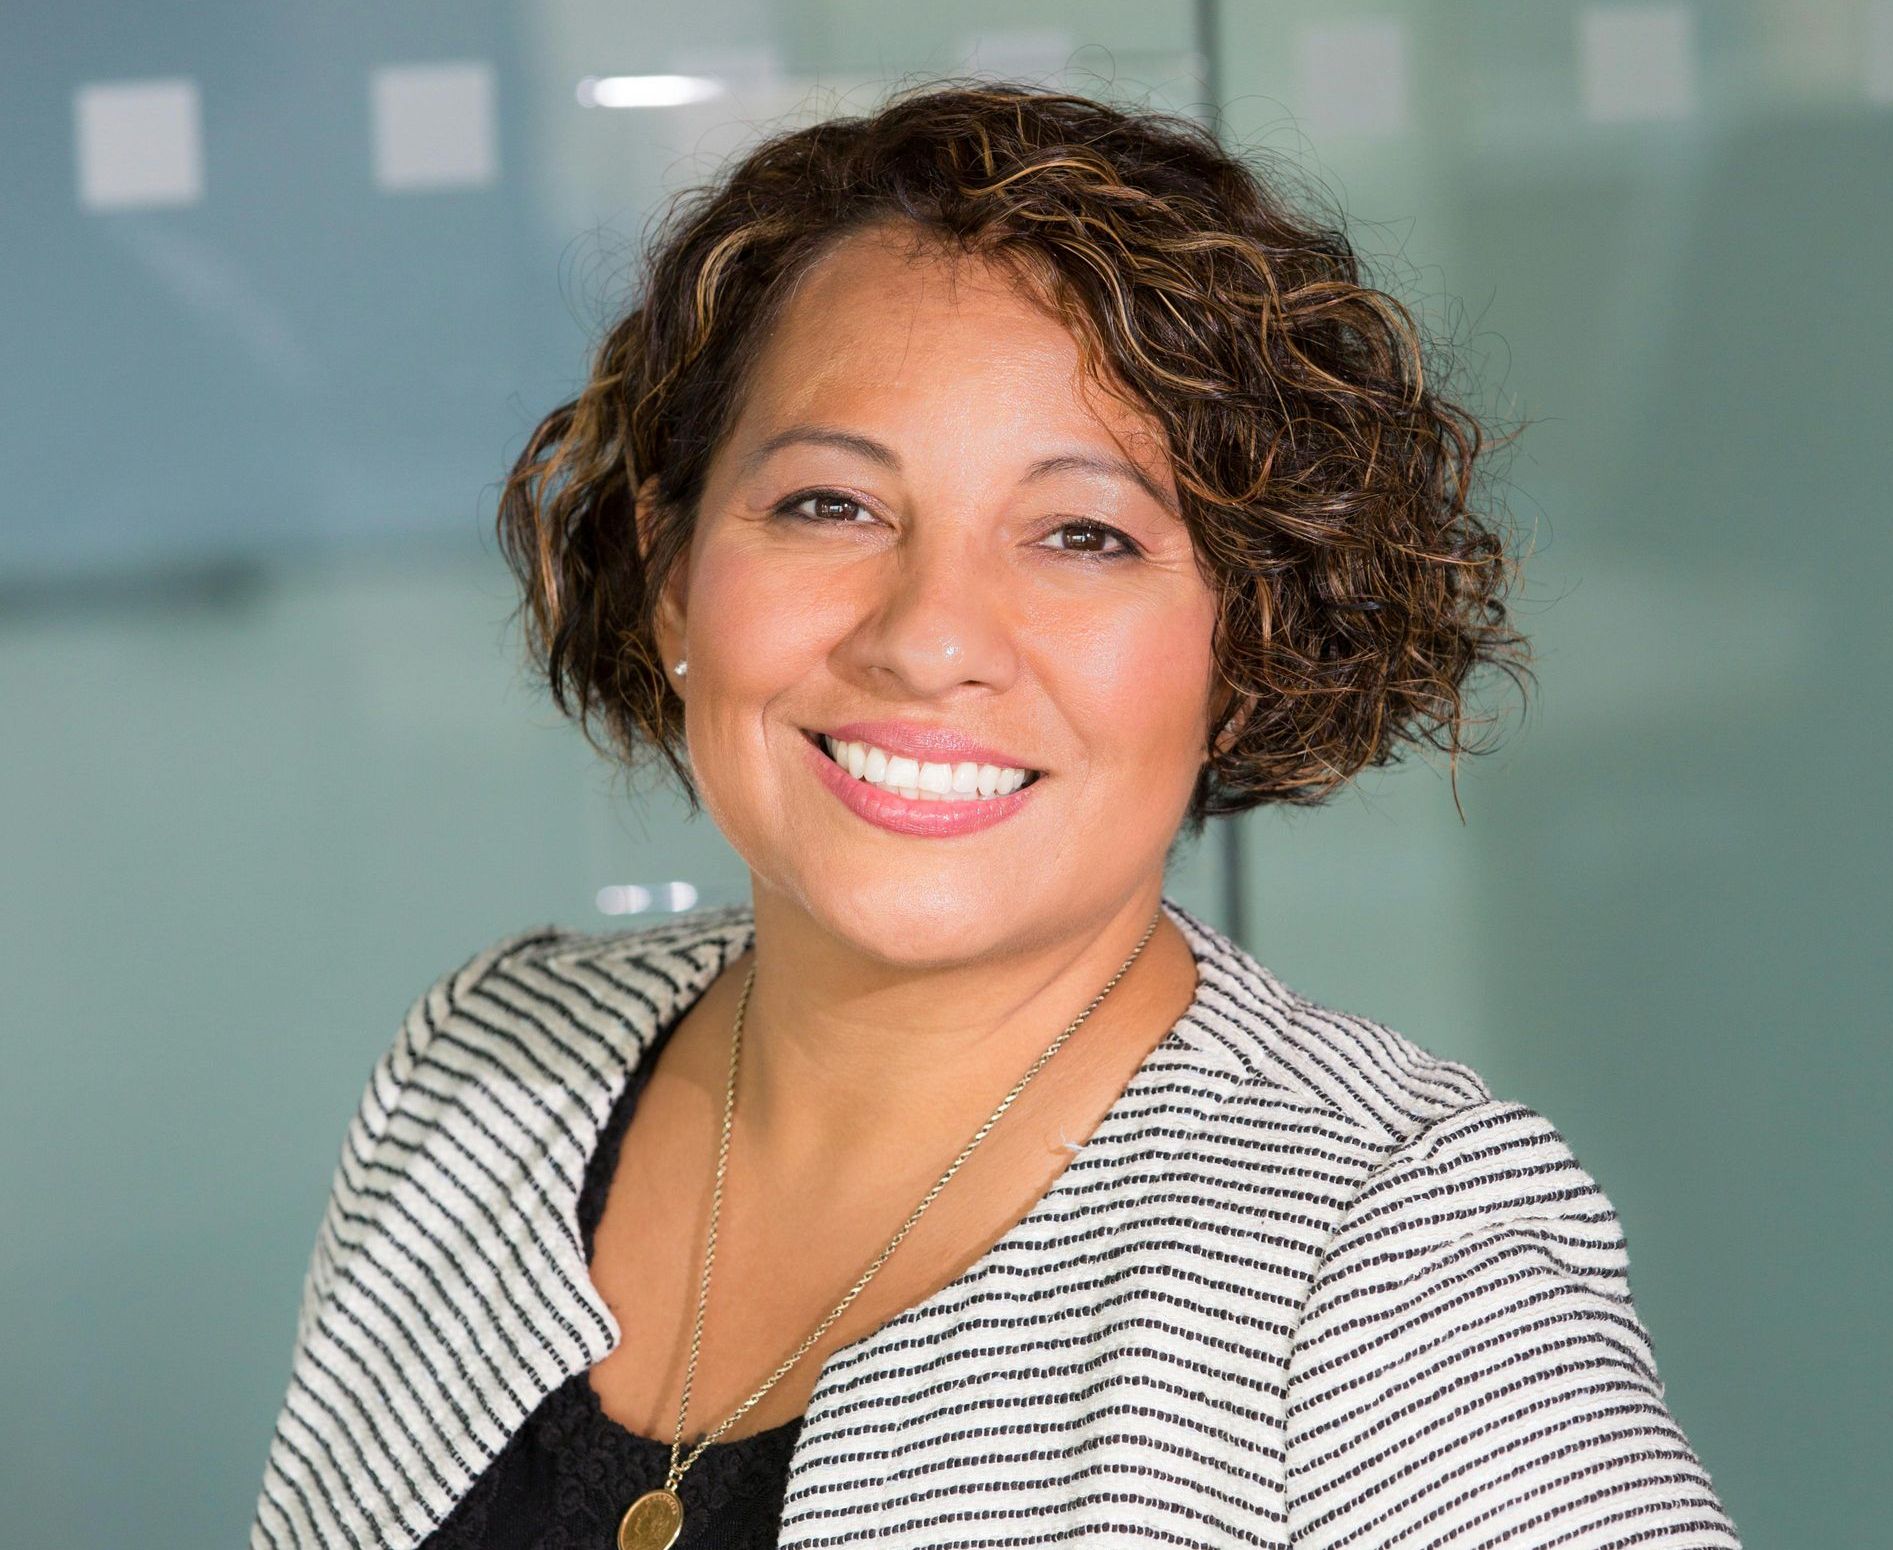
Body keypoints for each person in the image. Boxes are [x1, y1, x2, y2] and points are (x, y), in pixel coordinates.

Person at [250, 81, 1741, 1549]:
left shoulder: (1393, 1259)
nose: (929, 634)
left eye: (1082, 534)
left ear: (1248, 642)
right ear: (671, 568)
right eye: (832, 504)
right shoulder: (480, 1069)